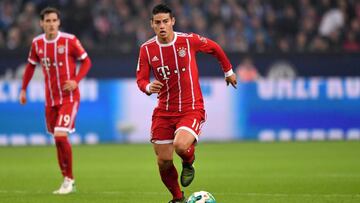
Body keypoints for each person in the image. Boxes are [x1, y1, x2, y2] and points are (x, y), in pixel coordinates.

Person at [136, 4, 237, 203]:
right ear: (152, 25)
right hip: (164, 110)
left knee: (181, 146)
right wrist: (148, 87)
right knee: (163, 161)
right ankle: (177, 198)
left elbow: (215, 48)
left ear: (172, 21)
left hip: (191, 107)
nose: (162, 26)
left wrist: (228, 71)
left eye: (166, 21)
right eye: (158, 22)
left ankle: (188, 161)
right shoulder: (147, 49)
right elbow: (140, 79)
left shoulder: (187, 41)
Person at [19, 7, 91, 195]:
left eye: (54, 20)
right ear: (41, 23)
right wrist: (23, 89)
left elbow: (86, 61)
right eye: (47, 21)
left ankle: (70, 179)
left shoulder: (69, 41)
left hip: (69, 98)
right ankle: (66, 178)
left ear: (59, 22)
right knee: (57, 140)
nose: (51, 24)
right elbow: (30, 66)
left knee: (60, 135)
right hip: (50, 100)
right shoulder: (37, 43)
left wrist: (75, 81)